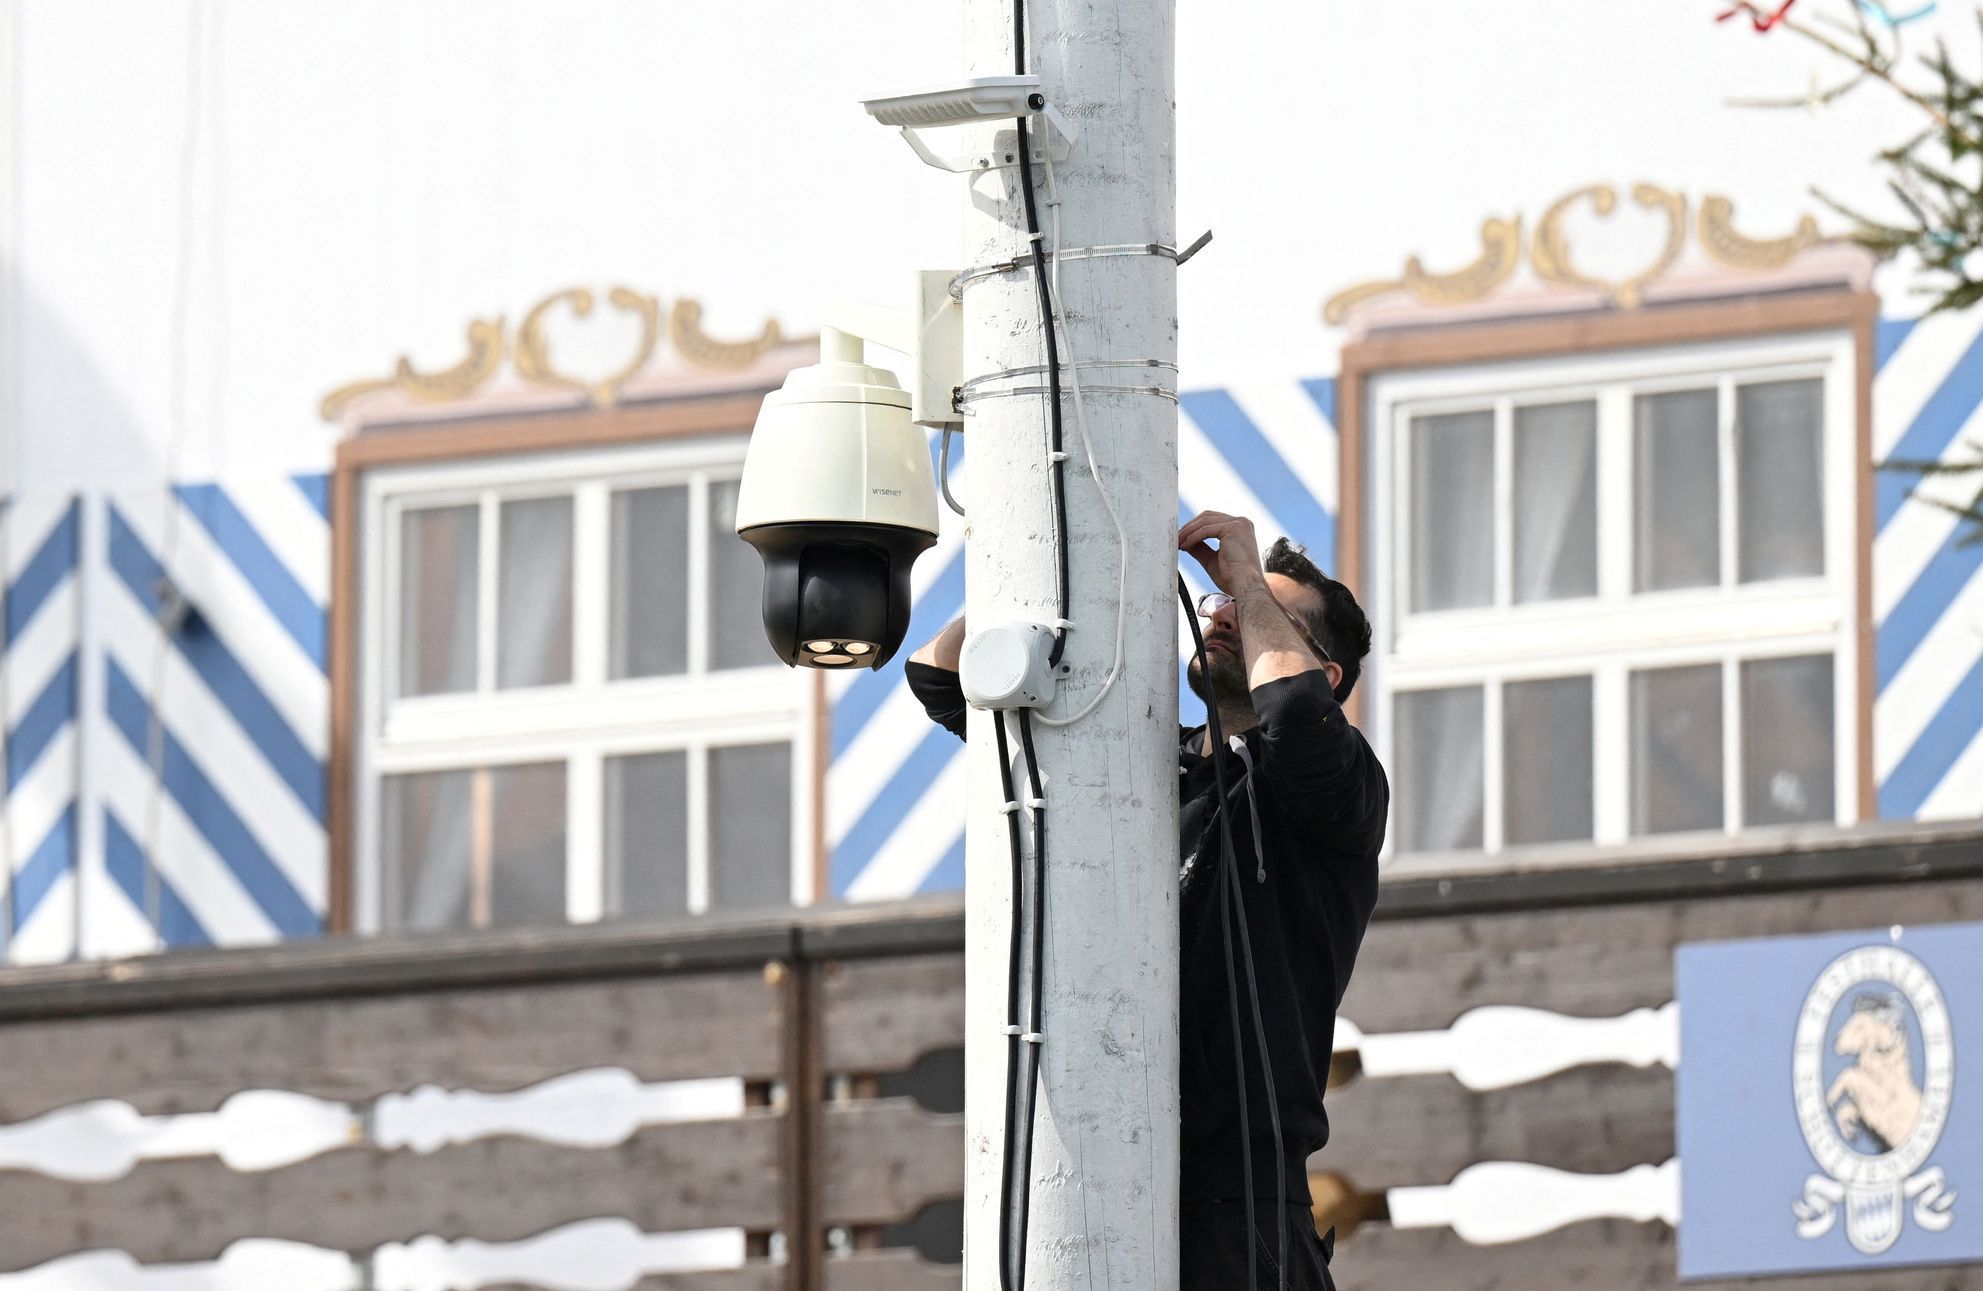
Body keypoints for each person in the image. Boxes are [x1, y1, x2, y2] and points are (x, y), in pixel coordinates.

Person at [905, 510, 1388, 1290]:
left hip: (1239, 1214)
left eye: (1260, 606)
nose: (1221, 609)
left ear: (1325, 670)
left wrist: (1240, 575)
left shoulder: (1337, 790)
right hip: (1088, 1192)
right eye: (1217, 601)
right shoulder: (1134, 763)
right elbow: (938, 673)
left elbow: (1296, 712)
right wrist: (1059, 570)